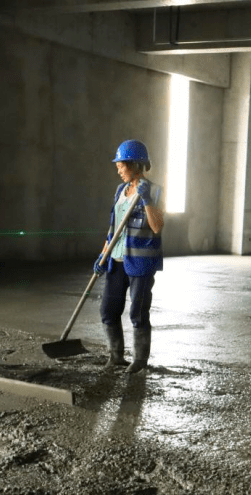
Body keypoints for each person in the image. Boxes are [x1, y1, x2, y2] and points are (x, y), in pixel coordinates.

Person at [94, 139, 164, 373]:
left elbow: (157, 227)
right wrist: (103, 254)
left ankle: (140, 361)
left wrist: (147, 200)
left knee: (138, 312)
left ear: (135, 164)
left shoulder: (153, 191)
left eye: (121, 164)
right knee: (108, 310)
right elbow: (113, 228)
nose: (118, 168)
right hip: (116, 260)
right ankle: (116, 357)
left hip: (141, 263)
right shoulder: (120, 191)